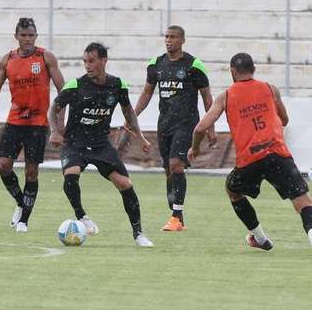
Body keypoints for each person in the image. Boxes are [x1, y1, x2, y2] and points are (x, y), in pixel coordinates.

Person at [188, 52, 312, 250]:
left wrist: (194, 148)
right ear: (253, 69)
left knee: (233, 191)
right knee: (301, 199)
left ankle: (259, 238)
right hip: (277, 154)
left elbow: (200, 128)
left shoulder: (226, 96)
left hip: (250, 159)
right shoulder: (270, 89)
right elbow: (285, 120)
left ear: (232, 71)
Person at [49, 42, 154, 247]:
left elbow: (128, 112)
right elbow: (53, 109)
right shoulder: (75, 85)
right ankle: (82, 216)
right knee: (71, 175)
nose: (87, 66)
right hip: (75, 143)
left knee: (125, 185)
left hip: (100, 144)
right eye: (85, 62)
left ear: (104, 61)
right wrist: (54, 131)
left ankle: (139, 234)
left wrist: (140, 137)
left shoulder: (117, 85)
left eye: (92, 61)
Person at [123, 25, 217, 231]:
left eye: (173, 37)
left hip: (187, 123)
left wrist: (210, 128)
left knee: (176, 165)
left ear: (182, 40)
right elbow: (147, 93)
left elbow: (207, 97)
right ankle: (177, 213)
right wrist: (132, 117)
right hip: (164, 124)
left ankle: (175, 216)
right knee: (168, 170)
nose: (168, 40)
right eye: (166, 37)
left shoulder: (194, 65)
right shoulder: (156, 64)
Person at [0, 18, 65, 233]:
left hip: (38, 124)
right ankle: (21, 202)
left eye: (31, 35)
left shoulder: (46, 57)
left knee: (31, 172)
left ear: (36, 36)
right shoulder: (7, 59)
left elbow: (63, 92)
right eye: (24, 35)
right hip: (15, 121)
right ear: (16, 36)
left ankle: (23, 221)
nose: (27, 39)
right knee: (3, 166)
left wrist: (59, 126)